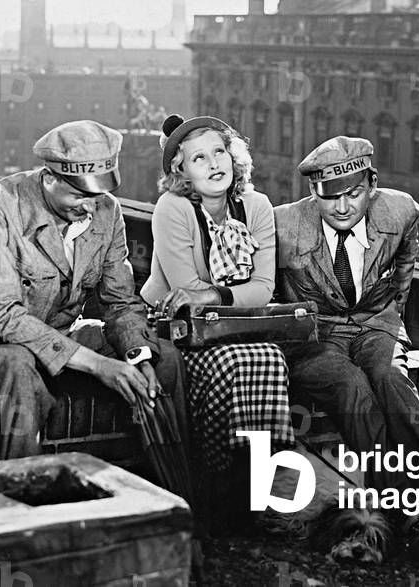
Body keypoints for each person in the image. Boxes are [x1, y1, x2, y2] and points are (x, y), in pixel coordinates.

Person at [273, 135, 419, 555]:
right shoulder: (282, 225)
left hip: (376, 323)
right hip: (317, 335)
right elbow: (268, 293)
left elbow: (405, 269)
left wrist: (390, 321)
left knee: (393, 383)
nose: (341, 207)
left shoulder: (402, 211)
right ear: (311, 193)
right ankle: (406, 516)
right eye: (327, 195)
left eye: (353, 194)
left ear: (371, 185)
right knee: (354, 389)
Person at [0, 120, 187, 461]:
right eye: (79, 195)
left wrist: (137, 356)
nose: (89, 207)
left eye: (97, 195)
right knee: (15, 364)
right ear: (49, 177)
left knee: (165, 357)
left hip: (61, 334)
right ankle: (19, 490)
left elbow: (120, 303)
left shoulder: (107, 209)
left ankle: (162, 490)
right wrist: (99, 365)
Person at [141, 114, 295, 528]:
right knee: (233, 363)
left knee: (267, 360)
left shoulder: (257, 206)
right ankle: (220, 486)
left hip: (236, 328)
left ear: (234, 156)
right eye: (198, 158)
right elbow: (185, 296)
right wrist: (214, 297)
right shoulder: (172, 209)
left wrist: (213, 294)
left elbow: (263, 289)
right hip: (174, 328)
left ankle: (256, 492)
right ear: (181, 171)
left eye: (219, 152)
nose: (213, 164)